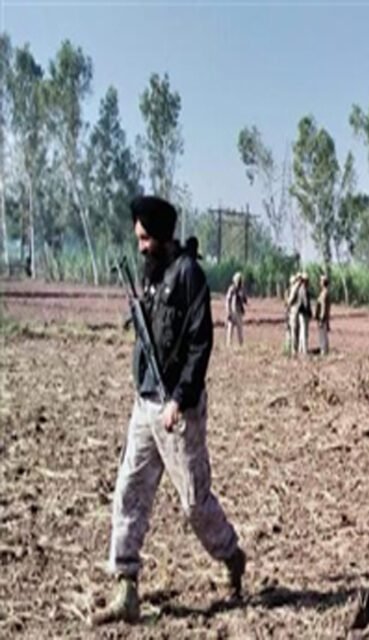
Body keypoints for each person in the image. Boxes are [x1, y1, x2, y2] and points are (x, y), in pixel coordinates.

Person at [93, 196, 245, 625]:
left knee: (194, 503)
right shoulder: (151, 275)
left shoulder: (188, 275)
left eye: (145, 238)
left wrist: (179, 398)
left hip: (179, 409)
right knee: (129, 489)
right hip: (146, 405)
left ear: (162, 235)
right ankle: (126, 584)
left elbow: (200, 344)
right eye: (138, 238)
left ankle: (231, 554)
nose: (140, 246)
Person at [225, 272, 247, 348]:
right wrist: (228, 312)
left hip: (239, 311)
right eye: (238, 280)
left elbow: (245, 300)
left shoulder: (241, 289)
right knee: (230, 329)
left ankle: (241, 344)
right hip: (232, 311)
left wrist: (242, 296)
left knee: (240, 329)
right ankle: (229, 344)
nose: (239, 281)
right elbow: (228, 301)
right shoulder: (231, 289)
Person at [316, 275, 330, 356]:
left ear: (323, 282)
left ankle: (323, 351)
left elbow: (323, 307)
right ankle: (324, 350)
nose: (319, 282)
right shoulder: (324, 292)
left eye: (320, 281)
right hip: (324, 317)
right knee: (323, 334)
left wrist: (321, 318)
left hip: (322, 318)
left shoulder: (324, 293)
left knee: (322, 335)